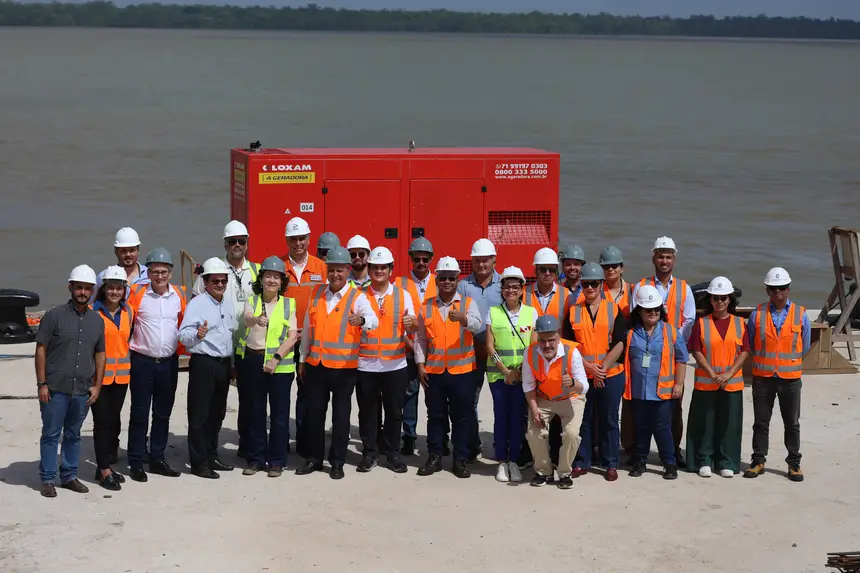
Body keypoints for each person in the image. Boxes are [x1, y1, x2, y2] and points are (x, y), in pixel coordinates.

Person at [296, 246, 378, 480]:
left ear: (347, 270)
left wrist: (361, 320)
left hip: (343, 368)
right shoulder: (317, 293)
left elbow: (372, 321)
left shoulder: (357, 297)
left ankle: (337, 462)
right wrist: (303, 359)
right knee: (315, 415)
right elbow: (308, 329)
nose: (335, 275)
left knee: (340, 418)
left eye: (340, 270)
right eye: (331, 270)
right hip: (316, 366)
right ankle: (314, 458)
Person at [35, 265, 106, 498]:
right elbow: (41, 349)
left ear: (93, 290)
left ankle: (69, 476)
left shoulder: (97, 321)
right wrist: (42, 384)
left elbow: (100, 353)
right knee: (51, 434)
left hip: (82, 389)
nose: (83, 292)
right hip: (55, 388)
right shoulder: (53, 316)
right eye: (79, 288)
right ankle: (47, 479)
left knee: (73, 434)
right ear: (70, 287)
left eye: (87, 288)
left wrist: (97, 384)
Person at [192, 220, 259, 460]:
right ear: (225, 244)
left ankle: (247, 445)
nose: (237, 245)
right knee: (213, 406)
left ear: (247, 243)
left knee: (250, 400)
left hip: (249, 348)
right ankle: (207, 452)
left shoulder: (257, 272)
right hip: (218, 349)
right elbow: (196, 307)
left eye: (242, 241)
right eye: (233, 241)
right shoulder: (213, 272)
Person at [629, 236, 695, 467]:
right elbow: (632, 316)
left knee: (672, 412)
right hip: (645, 351)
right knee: (637, 413)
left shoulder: (684, 288)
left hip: (670, 357)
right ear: (653, 257)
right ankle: (636, 453)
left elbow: (689, 320)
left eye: (668, 256)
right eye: (660, 256)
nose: (664, 260)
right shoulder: (641, 285)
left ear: (674, 259)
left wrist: (671, 341)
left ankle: (673, 453)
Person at [416, 256, 483, 478]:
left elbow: (477, 326)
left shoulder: (467, 304)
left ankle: (460, 459)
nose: (447, 282)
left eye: (451, 278)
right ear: (437, 279)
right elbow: (421, 339)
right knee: (435, 416)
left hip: (462, 372)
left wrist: (464, 319)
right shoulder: (426, 306)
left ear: (457, 280)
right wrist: (420, 365)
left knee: (462, 417)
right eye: (443, 278)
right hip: (434, 371)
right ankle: (435, 455)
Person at [744, 267, 810, 482]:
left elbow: (805, 345)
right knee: (761, 422)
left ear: (788, 289)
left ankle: (794, 464)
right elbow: (752, 343)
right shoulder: (757, 313)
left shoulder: (800, 314)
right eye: (773, 288)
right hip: (763, 377)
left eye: (781, 288)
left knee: (792, 423)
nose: (778, 292)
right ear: (767, 290)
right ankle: (758, 460)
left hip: (790, 379)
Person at [125, 248, 186, 483]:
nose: (159, 276)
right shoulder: (138, 294)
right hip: (142, 362)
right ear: (147, 273)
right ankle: (136, 461)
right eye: (154, 272)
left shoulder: (178, 296)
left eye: (163, 272)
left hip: (168, 363)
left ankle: (158, 458)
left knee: (163, 414)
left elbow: (183, 326)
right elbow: (125, 321)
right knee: (139, 413)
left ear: (170, 273)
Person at [565, 263, 627, 482]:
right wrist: (589, 368)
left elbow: (620, 342)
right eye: (586, 284)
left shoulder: (614, 309)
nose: (589, 287)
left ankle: (610, 463)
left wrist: (602, 368)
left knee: (610, 419)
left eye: (594, 283)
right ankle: (582, 461)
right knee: (584, 419)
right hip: (584, 375)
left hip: (610, 375)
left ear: (601, 285)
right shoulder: (573, 312)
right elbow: (568, 346)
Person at [356, 247, 414, 474]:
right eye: (375, 267)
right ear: (369, 269)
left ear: (391, 270)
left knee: (395, 412)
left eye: (383, 267)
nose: (379, 271)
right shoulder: (359, 294)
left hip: (395, 364)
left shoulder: (403, 295)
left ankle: (393, 454)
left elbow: (414, 328)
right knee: (368, 412)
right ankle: (369, 454)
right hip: (366, 364)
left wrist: (413, 326)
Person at [237, 256, 297, 477]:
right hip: (254, 361)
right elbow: (247, 319)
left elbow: (292, 337)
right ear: (261, 279)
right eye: (268, 276)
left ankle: (277, 461)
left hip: (280, 366)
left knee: (280, 416)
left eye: (276, 277)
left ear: (282, 281)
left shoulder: (289, 304)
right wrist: (256, 320)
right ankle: (256, 459)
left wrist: (276, 358)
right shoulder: (252, 301)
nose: (272, 280)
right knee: (255, 412)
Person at [179, 258, 237, 479]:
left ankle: (212, 454)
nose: (220, 284)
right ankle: (198, 462)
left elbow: (229, 335)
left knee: (217, 414)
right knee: (199, 416)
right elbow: (182, 335)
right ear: (206, 281)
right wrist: (197, 334)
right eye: (215, 281)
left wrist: (231, 366)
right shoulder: (197, 304)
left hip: (222, 364)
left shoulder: (228, 303)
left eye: (223, 281)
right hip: (204, 363)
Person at [686, 276, 750, 478]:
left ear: (730, 300)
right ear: (710, 300)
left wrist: (729, 374)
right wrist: (712, 373)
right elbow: (696, 350)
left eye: (724, 298)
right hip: (707, 382)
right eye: (716, 298)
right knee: (705, 423)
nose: (720, 301)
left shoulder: (740, 323)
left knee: (729, 425)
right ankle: (703, 460)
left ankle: (726, 461)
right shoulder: (701, 323)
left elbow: (745, 351)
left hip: (732, 384)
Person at [624, 285, 689, 480]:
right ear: (640, 311)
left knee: (662, 428)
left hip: (663, 392)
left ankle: (669, 464)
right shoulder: (630, 333)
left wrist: (678, 385)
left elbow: (681, 359)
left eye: (656, 309)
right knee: (641, 427)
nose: (653, 313)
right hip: (638, 391)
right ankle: (640, 461)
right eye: (648, 309)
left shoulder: (671, 331)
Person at [523, 315, 588, 490]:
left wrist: (573, 384)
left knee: (571, 434)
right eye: (542, 341)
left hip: (570, 398)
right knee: (534, 432)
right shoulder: (529, 353)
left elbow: (584, 387)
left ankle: (565, 472)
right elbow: (528, 385)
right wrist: (534, 409)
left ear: (558, 336)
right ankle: (544, 471)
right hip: (543, 398)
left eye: (551, 340)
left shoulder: (572, 352)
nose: (547, 345)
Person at [281, 217, 327, 460]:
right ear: (287, 240)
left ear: (309, 239)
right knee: (279, 392)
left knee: (307, 392)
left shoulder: (322, 268)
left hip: (311, 341)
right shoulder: (279, 267)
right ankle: (280, 439)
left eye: (302, 238)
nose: (298, 243)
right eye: (293, 239)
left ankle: (304, 440)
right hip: (283, 341)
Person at [485, 266, 536, 483]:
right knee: (501, 418)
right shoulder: (493, 312)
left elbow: (534, 347)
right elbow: (489, 347)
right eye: (507, 287)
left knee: (518, 419)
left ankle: (514, 461)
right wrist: (505, 371)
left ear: (522, 289)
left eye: (515, 287)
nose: (511, 291)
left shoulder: (531, 313)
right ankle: (501, 462)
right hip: (498, 377)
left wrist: (519, 372)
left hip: (522, 376)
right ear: (502, 289)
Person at [457, 238, 502, 461]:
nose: (481, 265)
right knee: (470, 401)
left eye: (485, 260)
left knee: (500, 400)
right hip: (471, 353)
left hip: (498, 353)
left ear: (494, 260)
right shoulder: (463, 286)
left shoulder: (504, 285)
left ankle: (501, 445)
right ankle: (472, 446)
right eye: (477, 261)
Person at [91, 266, 134, 491]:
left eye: (119, 288)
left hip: (121, 378)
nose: (115, 292)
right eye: (111, 288)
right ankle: (104, 469)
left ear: (124, 290)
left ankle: (104, 465)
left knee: (114, 422)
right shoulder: (93, 313)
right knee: (102, 424)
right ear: (103, 289)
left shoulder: (129, 312)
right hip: (99, 380)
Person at [397, 236, 438, 456]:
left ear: (431, 259)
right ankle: (409, 437)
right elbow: (396, 320)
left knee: (436, 397)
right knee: (409, 394)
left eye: (425, 259)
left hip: (435, 350)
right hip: (408, 348)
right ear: (411, 259)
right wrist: (411, 345)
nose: (421, 263)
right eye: (417, 258)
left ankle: (438, 438)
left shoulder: (440, 281)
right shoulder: (400, 284)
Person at [93, 227, 149, 300]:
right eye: (123, 251)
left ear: (138, 250)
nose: (128, 254)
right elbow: (92, 305)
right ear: (116, 251)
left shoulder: (149, 275)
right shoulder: (103, 277)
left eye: (132, 250)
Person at [599, 246, 632, 318]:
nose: (610, 269)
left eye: (614, 266)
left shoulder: (632, 290)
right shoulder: (596, 291)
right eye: (606, 266)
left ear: (621, 268)